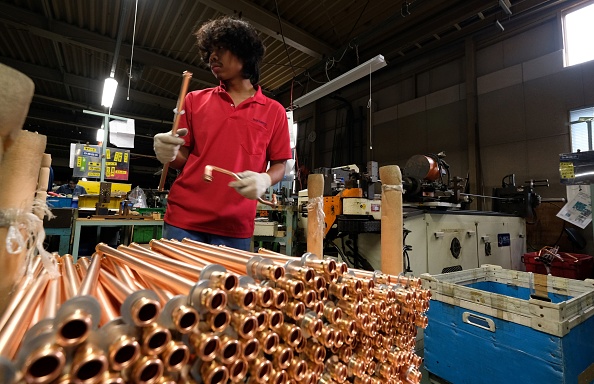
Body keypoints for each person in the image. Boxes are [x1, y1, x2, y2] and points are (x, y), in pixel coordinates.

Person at [153, 16, 292, 251]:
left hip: (234, 225)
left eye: (221, 48)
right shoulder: (194, 100)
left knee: (228, 289)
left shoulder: (274, 111)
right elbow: (181, 160)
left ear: (245, 53)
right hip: (184, 220)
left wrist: (266, 179)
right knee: (178, 287)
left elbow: (280, 164)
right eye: (210, 51)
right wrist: (168, 151)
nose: (212, 57)